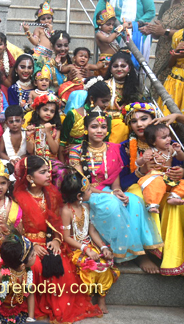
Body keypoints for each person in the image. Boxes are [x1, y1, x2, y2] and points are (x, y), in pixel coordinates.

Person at [13, 156, 102, 323]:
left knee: (62, 269)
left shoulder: (52, 194)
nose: (49, 175)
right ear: (30, 178)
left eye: (49, 171)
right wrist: (30, 245)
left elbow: (58, 224)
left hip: (49, 242)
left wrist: (56, 240)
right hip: (27, 244)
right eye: (43, 172)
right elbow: (14, 229)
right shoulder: (18, 197)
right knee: (36, 266)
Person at [69, 111, 163, 264]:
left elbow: (115, 178)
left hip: (108, 190)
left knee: (134, 201)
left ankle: (138, 251)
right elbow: (81, 183)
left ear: (108, 130)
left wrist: (118, 191)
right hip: (87, 193)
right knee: (111, 204)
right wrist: (110, 195)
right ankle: (123, 254)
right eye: (94, 127)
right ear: (86, 129)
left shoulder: (114, 148)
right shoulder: (76, 150)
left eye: (103, 127)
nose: (99, 131)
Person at [118, 102, 183, 274]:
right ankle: (141, 254)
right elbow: (122, 183)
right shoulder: (124, 147)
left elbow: (179, 166)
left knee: (175, 202)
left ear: (156, 121)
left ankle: (171, 256)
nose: (139, 124)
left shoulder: (169, 143)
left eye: (144, 119)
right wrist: (141, 171)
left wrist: (180, 172)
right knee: (135, 198)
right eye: (134, 121)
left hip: (168, 185)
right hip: (139, 185)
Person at [60, 169, 120, 314]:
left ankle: (101, 299)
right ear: (79, 196)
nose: (91, 192)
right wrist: (85, 249)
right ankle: (87, 299)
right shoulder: (66, 211)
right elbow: (67, 237)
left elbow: (92, 232)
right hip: (75, 248)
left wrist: (103, 247)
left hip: (89, 244)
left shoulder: (87, 207)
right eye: (88, 190)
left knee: (104, 264)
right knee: (90, 266)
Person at [0, 232, 37, 324]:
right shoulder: (1, 276)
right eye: (32, 255)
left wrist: (30, 318)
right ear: (22, 266)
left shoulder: (27, 273)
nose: (35, 254)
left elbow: (30, 293)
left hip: (17, 313)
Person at [142, 0, 184, 81]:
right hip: (161, 55)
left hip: (179, 60)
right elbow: (158, 33)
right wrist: (151, 30)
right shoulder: (166, 5)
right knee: (157, 89)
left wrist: (164, 31)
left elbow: (169, 32)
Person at [60, 77, 112, 163]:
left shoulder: (107, 117)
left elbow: (105, 143)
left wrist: (78, 146)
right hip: (72, 159)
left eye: (108, 101)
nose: (107, 105)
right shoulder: (73, 115)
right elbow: (62, 142)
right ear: (92, 99)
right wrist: (62, 167)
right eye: (104, 101)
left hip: (97, 160)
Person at [137, 123, 184, 212]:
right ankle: (152, 204)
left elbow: (181, 158)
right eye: (164, 137)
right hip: (156, 176)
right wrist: (143, 159)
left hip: (170, 177)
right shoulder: (150, 151)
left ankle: (173, 196)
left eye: (169, 136)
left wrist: (179, 151)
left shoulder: (170, 148)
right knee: (156, 185)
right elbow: (137, 163)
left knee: (182, 182)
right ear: (153, 141)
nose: (169, 139)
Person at [103, 50, 141, 143]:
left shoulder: (134, 88)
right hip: (104, 119)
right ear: (111, 69)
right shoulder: (104, 85)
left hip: (126, 121)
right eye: (115, 66)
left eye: (123, 66)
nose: (119, 69)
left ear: (130, 68)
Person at [25, 94, 61, 161]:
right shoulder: (33, 127)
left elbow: (55, 150)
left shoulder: (55, 129)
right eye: (45, 110)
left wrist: (47, 132)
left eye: (52, 111)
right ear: (38, 111)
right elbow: (30, 151)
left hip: (51, 161)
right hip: (35, 161)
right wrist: (29, 136)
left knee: (61, 171)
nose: (48, 113)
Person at [159, 23, 184, 114]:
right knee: (168, 115)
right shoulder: (178, 35)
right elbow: (170, 64)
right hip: (175, 80)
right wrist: (174, 55)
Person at [23, 1, 55, 71]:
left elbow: (54, 45)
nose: (46, 20)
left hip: (48, 57)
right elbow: (35, 42)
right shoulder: (38, 29)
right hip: (38, 56)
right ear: (39, 21)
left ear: (52, 19)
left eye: (49, 18)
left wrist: (51, 32)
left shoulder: (53, 32)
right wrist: (27, 31)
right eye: (43, 19)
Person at [94, 3, 122, 76]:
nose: (111, 27)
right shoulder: (99, 34)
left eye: (112, 24)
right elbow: (108, 40)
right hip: (105, 61)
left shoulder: (110, 34)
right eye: (108, 24)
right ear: (100, 25)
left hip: (114, 60)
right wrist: (119, 29)